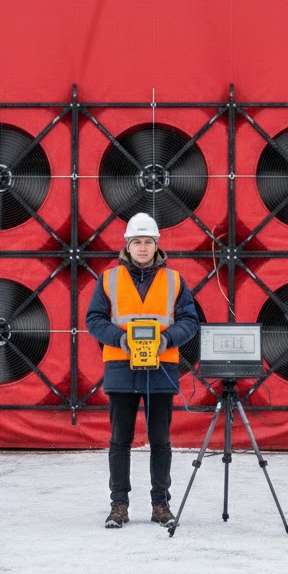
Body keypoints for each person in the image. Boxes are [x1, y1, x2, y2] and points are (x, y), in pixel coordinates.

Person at [86, 212, 200, 528]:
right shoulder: (108, 279)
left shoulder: (175, 280)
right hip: (121, 367)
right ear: (127, 244)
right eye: (136, 241)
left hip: (160, 368)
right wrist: (120, 338)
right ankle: (118, 505)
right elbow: (94, 320)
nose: (142, 247)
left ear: (156, 245)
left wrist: (166, 339)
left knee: (160, 440)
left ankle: (160, 505)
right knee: (120, 440)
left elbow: (190, 321)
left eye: (147, 241)